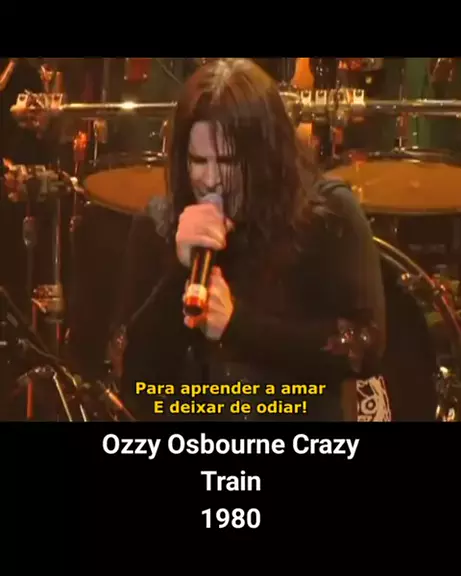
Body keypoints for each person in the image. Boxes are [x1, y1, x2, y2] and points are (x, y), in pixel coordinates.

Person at [111, 57, 388, 422]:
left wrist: (238, 326)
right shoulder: (159, 225)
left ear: (265, 156)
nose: (211, 179)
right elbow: (132, 374)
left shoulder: (327, 216)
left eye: (227, 161)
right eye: (198, 161)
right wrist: (180, 272)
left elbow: (365, 347)